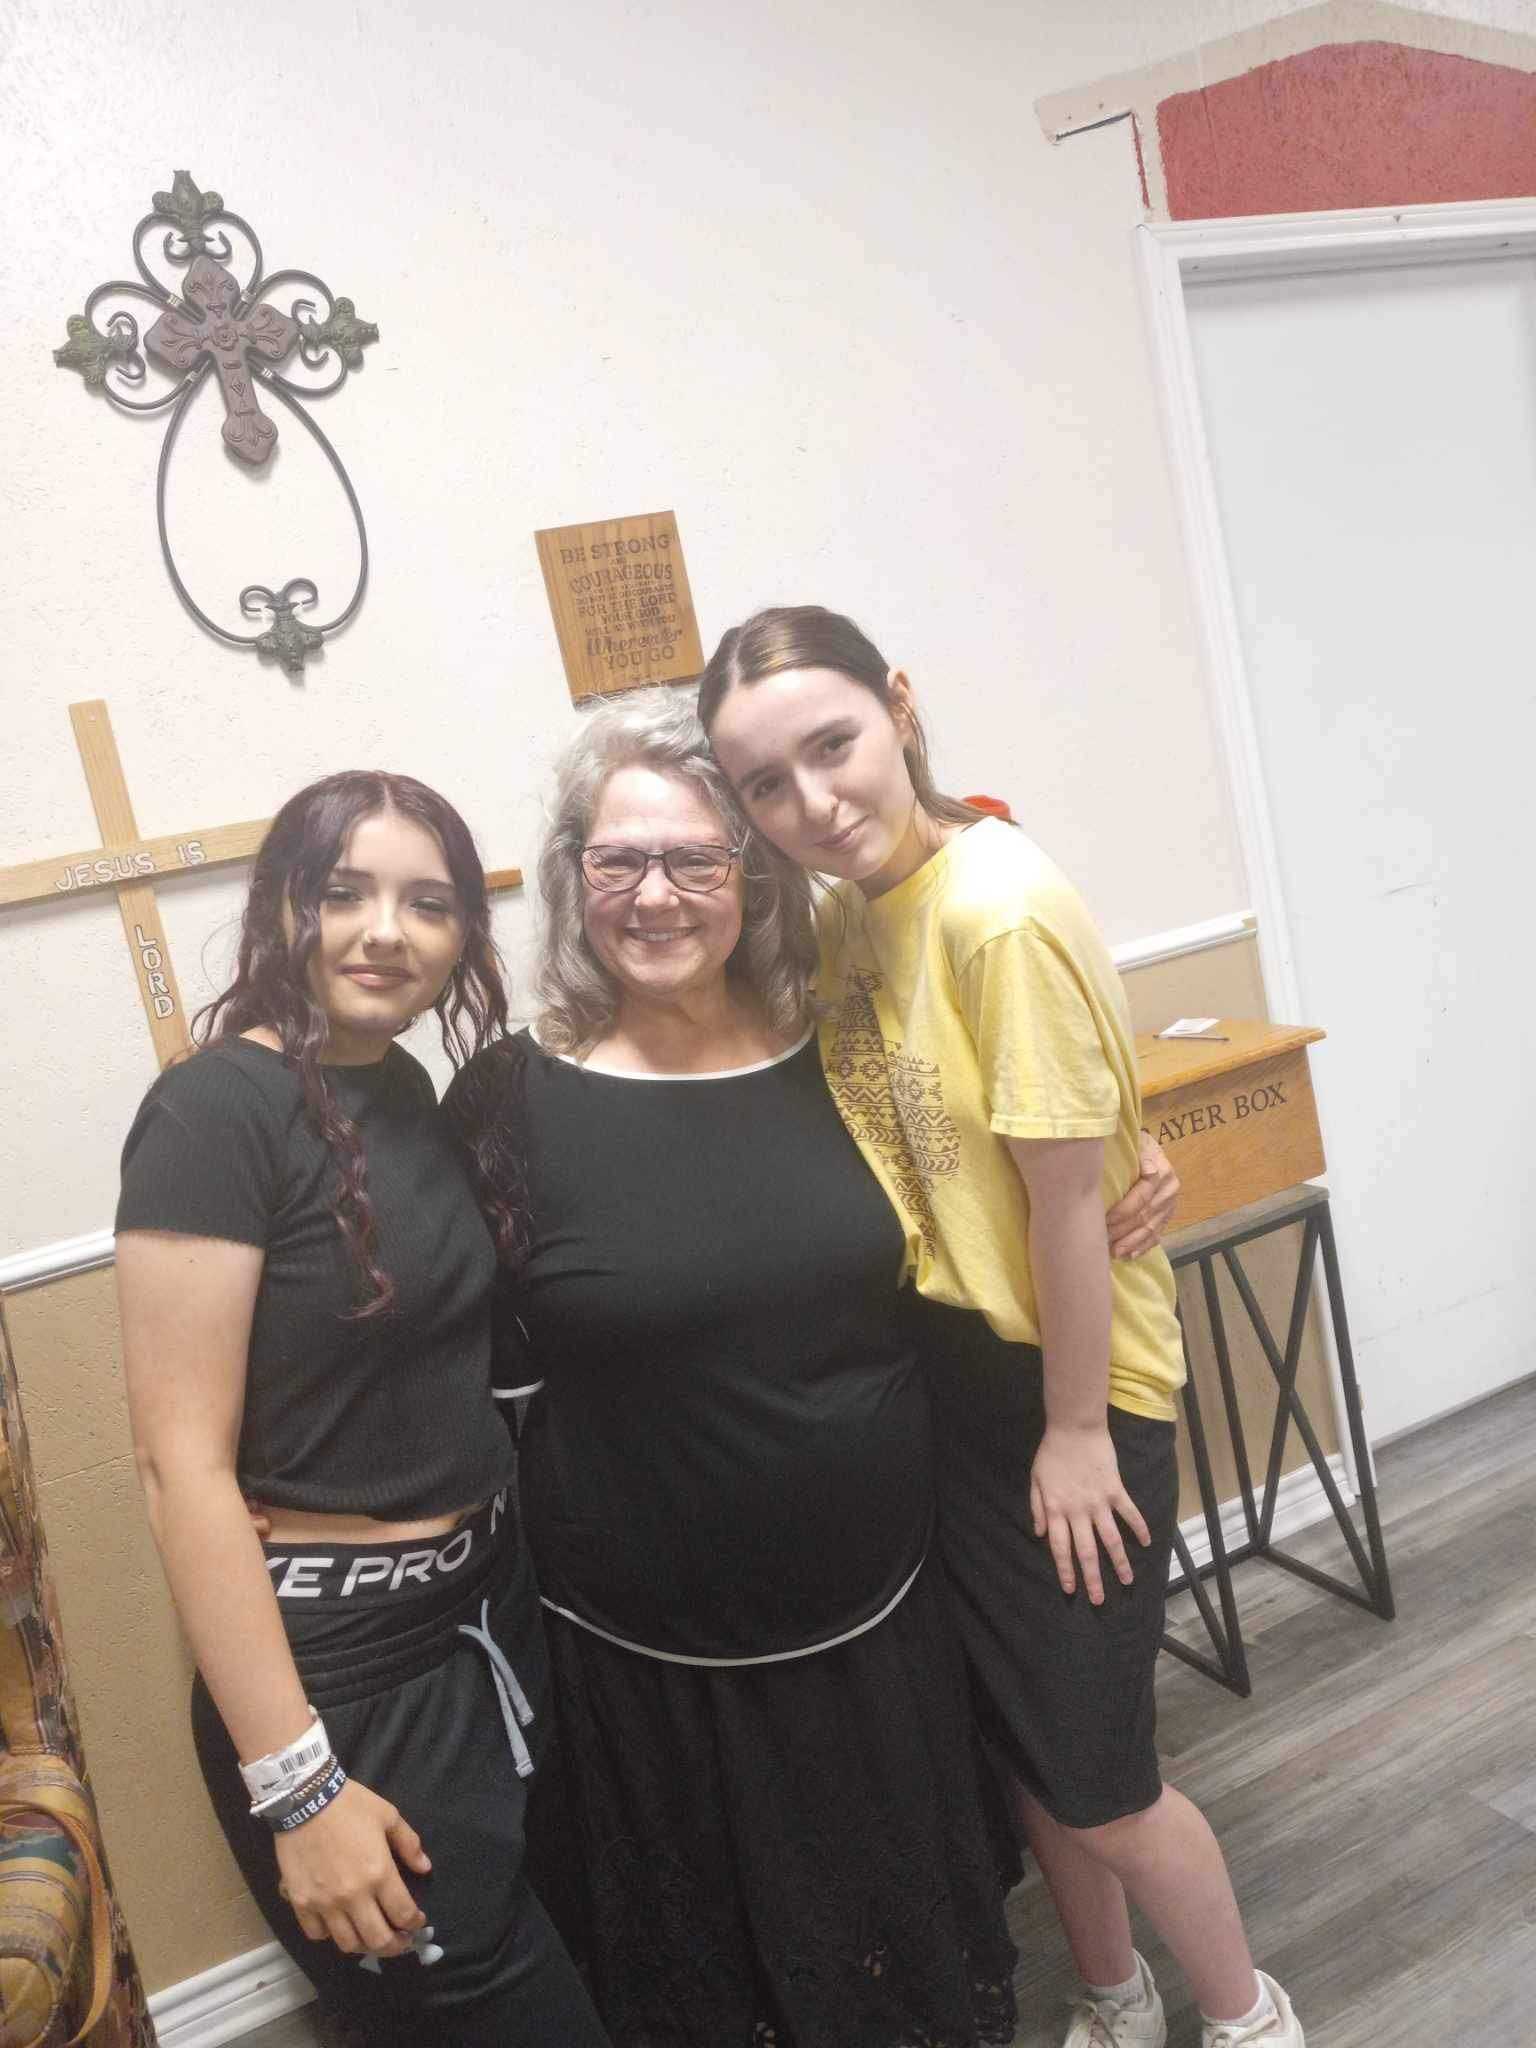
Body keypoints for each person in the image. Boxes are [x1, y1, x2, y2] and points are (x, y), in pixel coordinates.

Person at [701, 607, 1306, 2048]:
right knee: (1029, 1742)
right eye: (766, 786)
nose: (813, 804)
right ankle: (1113, 1995)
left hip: (1063, 1384)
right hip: (952, 1383)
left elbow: (1061, 1209)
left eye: (832, 746)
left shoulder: (997, 908)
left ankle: (1251, 2015)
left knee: (1101, 1770)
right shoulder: (857, 907)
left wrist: (1080, 1429)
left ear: (899, 707)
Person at [444, 692, 1021, 2048]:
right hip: (647, 1659)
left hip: (880, 1615)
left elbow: (993, 1168)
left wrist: (1128, 1178)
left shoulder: (848, 1045)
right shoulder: (504, 1107)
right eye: (620, 859)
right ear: (571, 870)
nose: (659, 895)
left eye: (698, 858)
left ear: (750, 878)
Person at [114, 772, 608, 2048]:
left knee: (570, 1962)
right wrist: (298, 1786)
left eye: (427, 903)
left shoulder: (401, 1092)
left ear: (463, 939)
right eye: (345, 892)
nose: (385, 929)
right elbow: (180, 1471)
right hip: (347, 1679)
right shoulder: (215, 1110)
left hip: (486, 1614)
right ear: (285, 905)